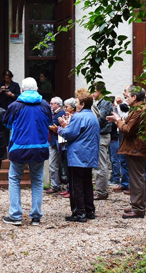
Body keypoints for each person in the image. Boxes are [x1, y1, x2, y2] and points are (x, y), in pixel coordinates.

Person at [2, 77, 51, 226]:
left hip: (19, 148)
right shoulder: (45, 105)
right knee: (37, 180)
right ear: (36, 89)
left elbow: (6, 124)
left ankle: (15, 215)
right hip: (40, 148)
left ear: (22, 89)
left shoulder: (15, 105)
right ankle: (36, 216)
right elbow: (49, 122)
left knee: (14, 179)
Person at [107, 85, 146, 219]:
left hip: (137, 148)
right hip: (136, 148)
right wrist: (118, 120)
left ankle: (139, 208)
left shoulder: (140, 110)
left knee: (137, 178)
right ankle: (136, 205)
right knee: (135, 178)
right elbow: (129, 126)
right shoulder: (139, 109)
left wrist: (118, 121)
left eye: (127, 97)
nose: (125, 99)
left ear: (135, 97)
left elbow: (127, 130)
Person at [58, 88, 100, 222]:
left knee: (76, 185)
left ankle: (79, 212)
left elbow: (69, 133)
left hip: (77, 155)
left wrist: (59, 128)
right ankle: (90, 210)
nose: (75, 104)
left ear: (82, 104)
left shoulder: (78, 116)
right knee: (87, 183)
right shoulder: (93, 116)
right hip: (89, 154)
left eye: (76, 102)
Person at [91, 82, 113, 200]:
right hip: (100, 135)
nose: (92, 94)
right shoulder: (100, 102)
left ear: (99, 91)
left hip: (103, 135)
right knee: (99, 163)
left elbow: (101, 119)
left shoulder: (105, 102)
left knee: (101, 164)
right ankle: (100, 189)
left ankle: (102, 191)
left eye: (93, 91)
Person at [46, 96, 66, 194]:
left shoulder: (61, 113)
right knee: (55, 164)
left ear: (58, 104)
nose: (50, 105)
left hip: (57, 142)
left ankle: (55, 185)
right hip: (53, 141)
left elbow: (52, 125)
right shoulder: (54, 113)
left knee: (53, 164)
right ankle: (56, 184)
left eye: (52, 103)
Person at [112, 86, 131, 195]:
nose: (124, 93)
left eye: (125, 91)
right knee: (122, 160)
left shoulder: (131, 106)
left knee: (127, 161)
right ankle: (124, 183)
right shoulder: (123, 104)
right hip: (121, 133)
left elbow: (125, 116)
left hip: (127, 134)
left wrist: (119, 105)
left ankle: (130, 185)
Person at [57, 98, 77, 199]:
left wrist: (63, 125)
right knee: (66, 166)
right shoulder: (68, 116)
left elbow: (70, 131)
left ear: (73, 108)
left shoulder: (75, 117)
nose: (65, 109)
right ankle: (69, 188)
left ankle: (71, 189)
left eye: (67, 107)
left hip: (70, 145)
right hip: (64, 144)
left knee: (70, 169)